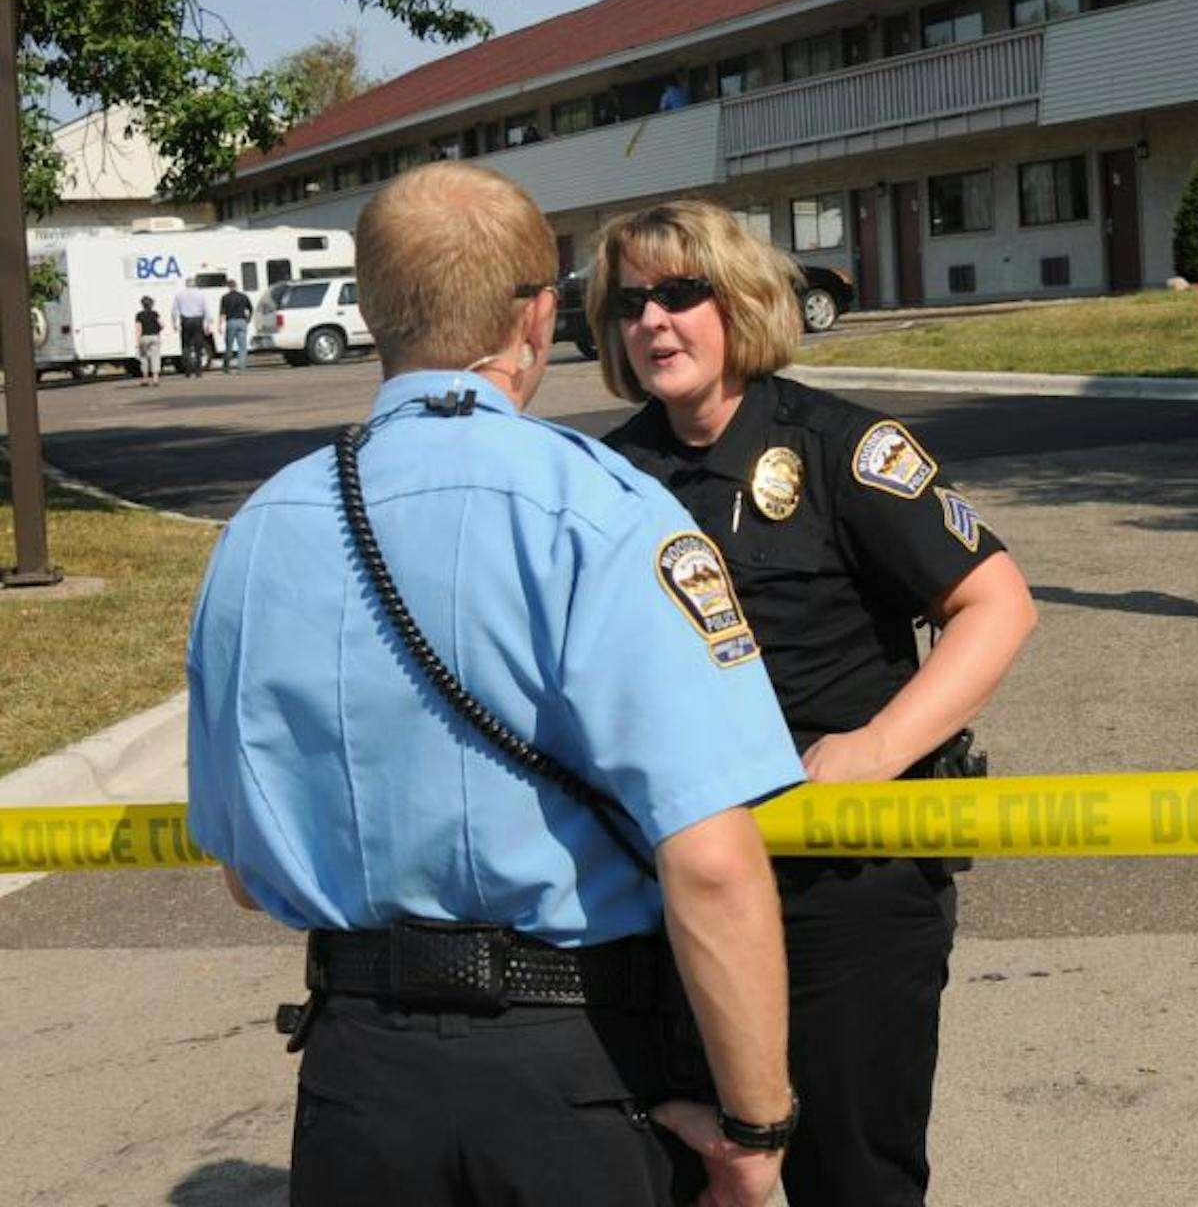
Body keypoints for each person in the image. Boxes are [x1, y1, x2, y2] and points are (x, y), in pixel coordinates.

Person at [188, 163, 806, 1207]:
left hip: (357, 1077)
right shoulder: (606, 510)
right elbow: (709, 861)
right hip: (573, 1067)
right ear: (538, 314)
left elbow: (247, 872)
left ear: (375, 311)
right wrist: (756, 1128)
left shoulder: (260, 530)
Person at [592, 198, 1037, 1207]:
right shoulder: (607, 479)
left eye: (679, 293)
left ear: (741, 300)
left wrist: (877, 747)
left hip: (846, 893)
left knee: (856, 1183)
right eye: (630, 303)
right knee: (688, 1178)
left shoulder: (843, 448)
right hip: (674, 901)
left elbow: (996, 606)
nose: (653, 321)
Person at [173, 277, 211, 376]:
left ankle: (188, 370)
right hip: (198, 320)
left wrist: (175, 324)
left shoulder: (179, 295)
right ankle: (198, 371)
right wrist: (208, 324)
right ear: (194, 284)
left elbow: (175, 310)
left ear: (186, 284)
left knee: (186, 346)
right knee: (198, 346)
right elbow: (206, 309)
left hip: (185, 320)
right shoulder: (200, 294)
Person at [219, 283, 254, 372]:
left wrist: (220, 325)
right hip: (242, 321)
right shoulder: (243, 296)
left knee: (229, 345)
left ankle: (226, 367)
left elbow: (222, 313)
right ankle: (241, 367)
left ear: (228, 287)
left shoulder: (225, 297)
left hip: (231, 321)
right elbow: (250, 308)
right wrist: (248, 319)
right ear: (236, 286)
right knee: (242, 346)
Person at [134, 295, 164, 385]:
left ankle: (145, 378)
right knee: (155, 357)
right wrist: (157, 330)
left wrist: (137, 341)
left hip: (144, 337)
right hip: (155, 336)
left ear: (142, 305)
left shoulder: (139, 315)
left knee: (144, 358)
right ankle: (155, 378)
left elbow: (138, 329)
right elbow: (162, 325)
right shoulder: (155, 313)